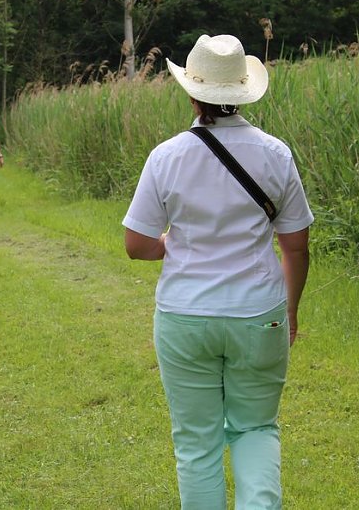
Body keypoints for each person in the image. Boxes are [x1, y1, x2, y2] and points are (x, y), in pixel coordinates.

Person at [122, 34, 313, 509]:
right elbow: (296, 247)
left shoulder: (167, 157)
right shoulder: (276, 154)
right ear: (242, 92)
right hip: (259, 314)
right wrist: (290, 311)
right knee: (256, 428)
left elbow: (136, 245)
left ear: (192, 94)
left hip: (185, 315)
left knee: (196, 441)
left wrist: (168, 244)